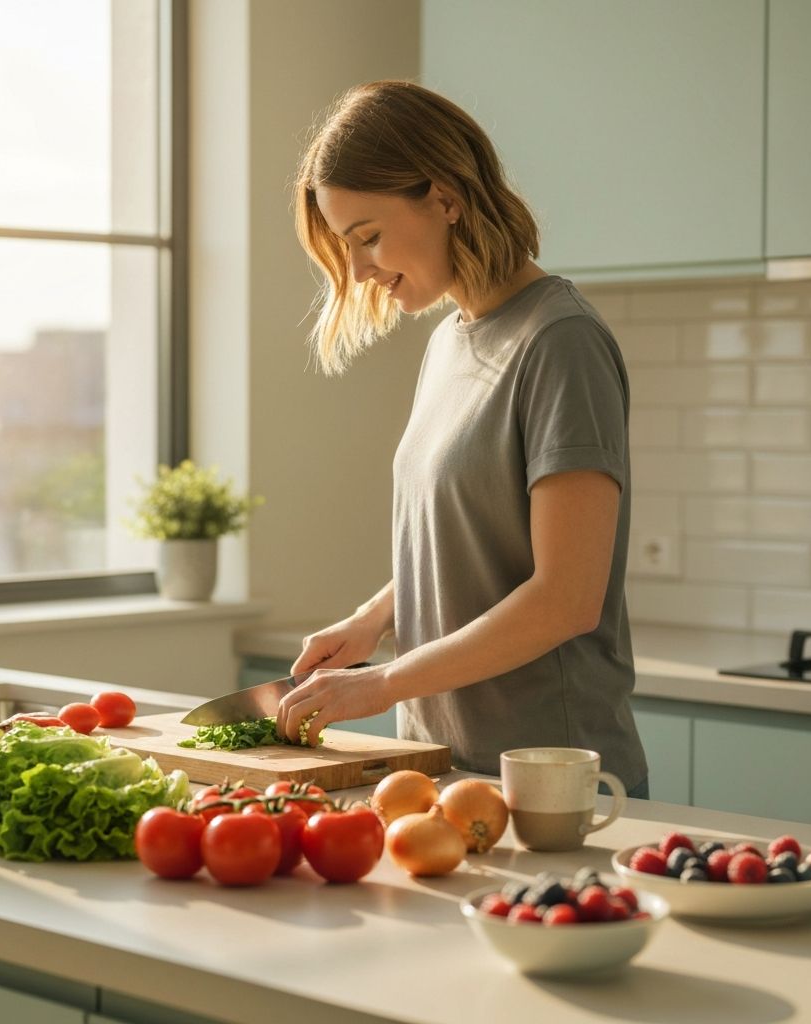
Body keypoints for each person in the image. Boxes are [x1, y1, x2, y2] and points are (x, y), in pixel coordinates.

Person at [276, 80, 648, 798]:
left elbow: (567, 597)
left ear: (445, 199)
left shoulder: (561, 342)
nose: (359, 270)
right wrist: (373, 619)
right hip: (440, 764)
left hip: (548, 780)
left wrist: (382, 684)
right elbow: (472, 536)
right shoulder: (450, 341)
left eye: (368, 237)